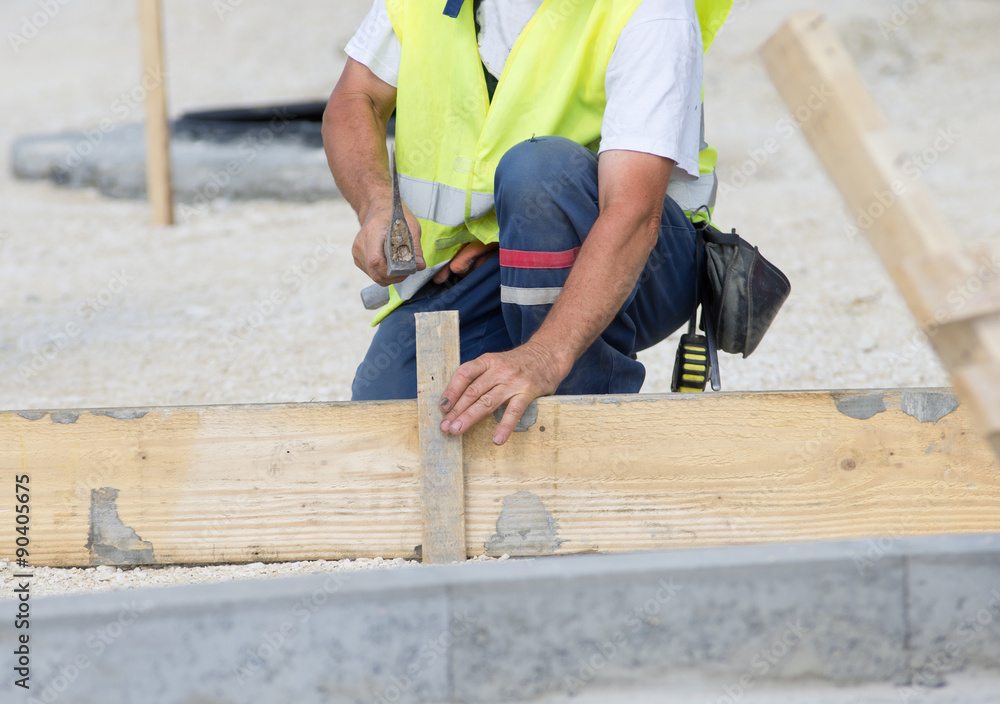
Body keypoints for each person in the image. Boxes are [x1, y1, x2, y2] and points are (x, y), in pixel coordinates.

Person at [324, 0, 732, 445]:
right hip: (498, 254)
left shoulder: (651, 9)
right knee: (394, 417)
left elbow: (633, 213)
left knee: (540, 170)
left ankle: (583, 427)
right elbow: (355, 96)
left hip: (647, 261)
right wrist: (377, 204)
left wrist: (543, 356)